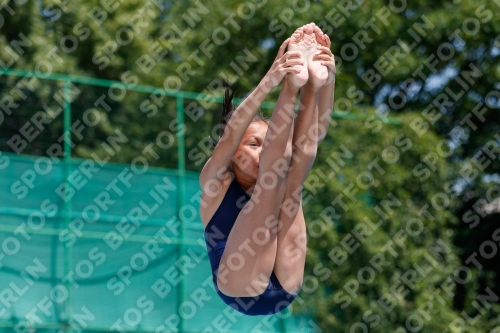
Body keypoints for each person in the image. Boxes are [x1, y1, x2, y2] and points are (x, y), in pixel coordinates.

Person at [200, 23, 336, 316]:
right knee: (274, 180)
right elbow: (230, 136)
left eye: (268, 142)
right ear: (233, 155)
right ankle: (292, 85)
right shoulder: (216, 183)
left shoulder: (281, 173)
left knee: (292, 173)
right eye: (253, 144)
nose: (263, 150)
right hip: (239, 285)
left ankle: (308, 84)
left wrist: (326, 76)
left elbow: (316, 132)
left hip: (285, 282)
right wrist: (274, 77)